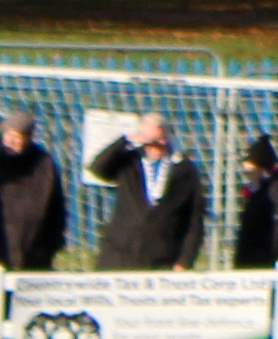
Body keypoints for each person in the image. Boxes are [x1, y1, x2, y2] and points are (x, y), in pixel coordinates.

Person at [86, 116, 205, 271]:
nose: (155, 147)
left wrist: (185, 260)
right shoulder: (130, 161)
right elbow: (98, 168)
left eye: (160, 140)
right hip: (120, 254)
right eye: (150, 142)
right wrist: (125, 141)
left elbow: (194, 219)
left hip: (162, 258)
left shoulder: (184, 169)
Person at [0, 115, 66, 273]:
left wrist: (49, 248)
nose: (11, 141)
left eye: (17, 136)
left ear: (29, 138)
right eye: (8, 135)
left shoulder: (44, 166)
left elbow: (56, 209)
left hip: (35, 257)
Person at [229, 136, 278, 270]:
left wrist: (274, 259)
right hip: (252, 265)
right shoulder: (258, 191)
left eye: (251, 172)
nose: (248, 177)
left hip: (268, 265)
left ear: (261, 169)